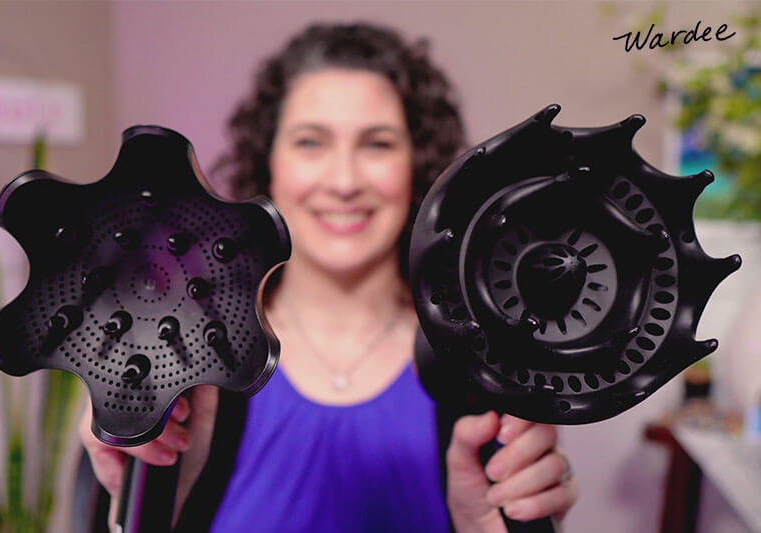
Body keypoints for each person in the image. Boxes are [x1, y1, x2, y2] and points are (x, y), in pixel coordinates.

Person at [79, 22, 579, 532]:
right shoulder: (190, 362)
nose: (343, 181)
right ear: (268, 161)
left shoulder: (482, 361)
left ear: (418, 166)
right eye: (311, 142)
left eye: (377, 144)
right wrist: (149, 503)